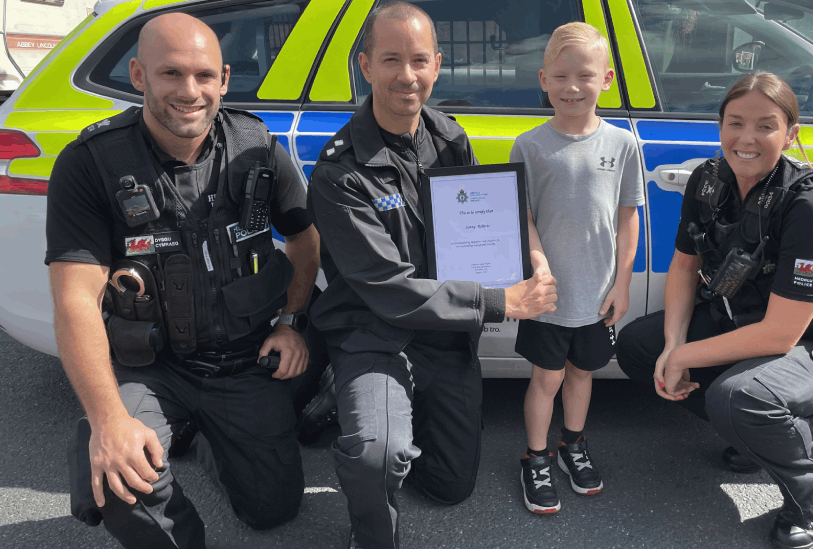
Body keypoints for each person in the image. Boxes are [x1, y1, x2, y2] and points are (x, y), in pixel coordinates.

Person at [45, 13, 319, 548]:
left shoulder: (255, 146)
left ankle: (212, 439)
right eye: (171, 73)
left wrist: (290, 322)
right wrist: (106, 420)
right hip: (151, 369)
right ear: (139, 75)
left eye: (204, 75)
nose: (189, 91)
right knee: (119, 478)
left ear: (224, 78)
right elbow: (75, 299)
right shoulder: (92, 163)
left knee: (272, 510)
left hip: (242, 363)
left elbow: (304, 240)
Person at [305, 3, 558, 548]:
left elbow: (474, 232)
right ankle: (370, 507)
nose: (406, 75)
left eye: (419, 60)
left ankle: (380, 411)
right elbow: (388, 290)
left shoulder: (448, 137)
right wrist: (500, 301)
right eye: (391, 59)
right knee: (380, 454)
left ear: (438, 64)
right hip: (374, 331)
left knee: (450, 486)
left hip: (441, 337)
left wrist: (527, 256)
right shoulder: (337, 171)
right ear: (365, 65)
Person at [615, 71, 813, 549]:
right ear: (719, 126)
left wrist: (681, 359)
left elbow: (782, 334)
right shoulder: (709, 178)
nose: (747, 138)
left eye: (765, 125)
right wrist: (674, 345)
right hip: (747, 325)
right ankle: (755, 438)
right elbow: (684, 266)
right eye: (735, 123)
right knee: (641, 347)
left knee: (739, 396)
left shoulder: (811, 203)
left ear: (791, 133)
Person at [510, 22, 643, 514]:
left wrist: (622, 284)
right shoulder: (528, 146)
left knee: (582, 374)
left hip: (596, 294)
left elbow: (627, 219)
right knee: (545, 378)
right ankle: (536, 455)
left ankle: (573, 445)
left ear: (606, 79)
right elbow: (522, 217)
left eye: (584, 76)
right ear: (543, 79)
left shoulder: (623, 145)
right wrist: (539, 263)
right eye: (560, 76)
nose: (571, 87)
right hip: (547, 296)